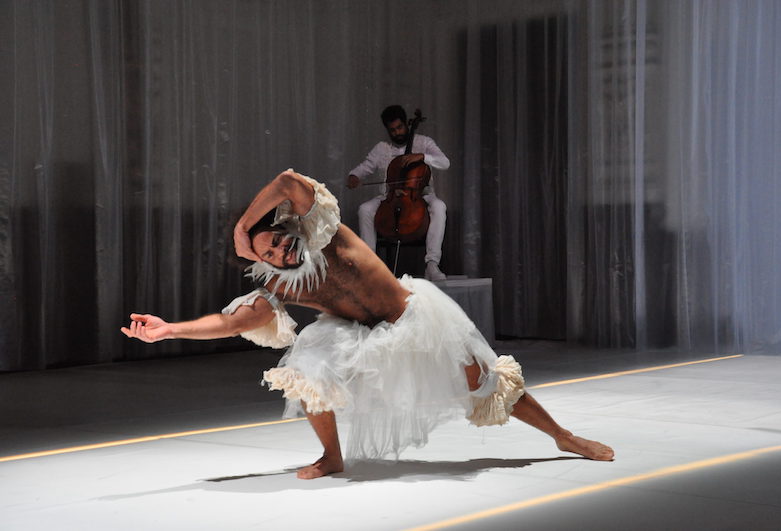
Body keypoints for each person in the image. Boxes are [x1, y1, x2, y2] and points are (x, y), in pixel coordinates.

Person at [122, 169, 614, 480]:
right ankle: (332, 456)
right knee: (306, 367)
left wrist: (240, 230)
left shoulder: (322, 231)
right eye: (268, 253)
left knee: (484, 380)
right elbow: (233, 322)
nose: (278, 251)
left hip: (412, 314)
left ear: (282, 228)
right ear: (265, 261)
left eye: (274, 239)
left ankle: (563, 436)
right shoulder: (281, 286)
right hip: (355, 333)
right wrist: (170, 329)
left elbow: (288, 181)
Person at [346, 105, 449, 281]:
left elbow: (444, 162)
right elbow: (365, 167)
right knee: (365, 209)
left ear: (406, 125)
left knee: (439, 206)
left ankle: (432, 264)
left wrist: (423, 157)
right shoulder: (381, 148)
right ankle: (370, 265)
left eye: (400, 127)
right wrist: (354, 176)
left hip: (420, 195)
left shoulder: (424, 142)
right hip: (389, 196)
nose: (397, 133)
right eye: (392, 130)